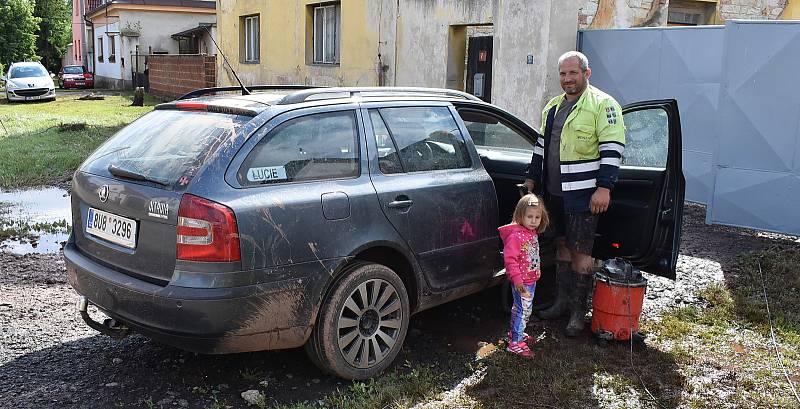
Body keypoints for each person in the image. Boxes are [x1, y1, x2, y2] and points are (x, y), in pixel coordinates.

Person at [523, 51, 625, 337]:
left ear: (586, 73)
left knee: (582, 253)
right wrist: (531, 179)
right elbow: (541, 147)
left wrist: (604, 188)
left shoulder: (603, 105)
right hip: (554, 195)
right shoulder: (553, 107)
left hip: (584, 196)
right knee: (562, 248)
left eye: (573, 73)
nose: (567, 79)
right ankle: (561, 303)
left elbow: (612, 149)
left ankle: (579, 313)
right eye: (563, 74)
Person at [498, 194, 550, 358]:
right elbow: (510, 260)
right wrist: (517, 280)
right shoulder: (516, 236)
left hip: (530, 280)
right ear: (520, 215)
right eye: (529, 216)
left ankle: (515, 334)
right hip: (522, 281)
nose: (534, 220)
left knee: (519, 308)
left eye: (537, 217)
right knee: (524, 310)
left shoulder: (531, 232)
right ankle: (516, 343)